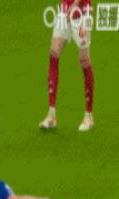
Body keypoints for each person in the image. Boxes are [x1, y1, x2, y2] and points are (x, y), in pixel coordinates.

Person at [39, 0, 94, 131]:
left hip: (81, 15)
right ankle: (51, 115)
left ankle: (88, 116)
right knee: (53, 55)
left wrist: (75, 4)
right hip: (64, 13)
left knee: (84, 61)